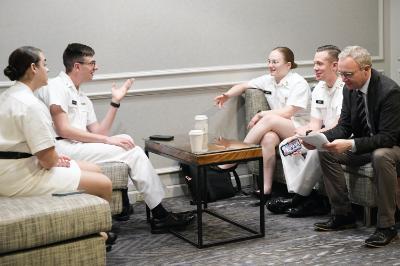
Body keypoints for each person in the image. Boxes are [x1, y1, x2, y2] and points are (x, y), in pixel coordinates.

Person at [35, 43, 194, 234]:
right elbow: (64, 129)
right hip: (61, 148)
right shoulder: (56, 86)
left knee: (126, 139)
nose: (96, 67)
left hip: (75, 145)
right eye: (92, 63)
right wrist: (108, 141)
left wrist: (115, 102)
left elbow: (99, 132)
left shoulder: (82, 97)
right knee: (133, 153)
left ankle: (127, 205)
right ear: (77, 66)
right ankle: (160, 215)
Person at [0, 46, 116, 249]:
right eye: (44, 64)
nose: (48, 69)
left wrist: (53, 159)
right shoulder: (31, 105)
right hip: (19, 177)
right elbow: (47, 160)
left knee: (94, 168)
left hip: (11, 169)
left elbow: (37, 151)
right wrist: (54, 160)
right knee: (104, 183)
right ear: (33, 68)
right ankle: (101, 235)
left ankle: (90, 226)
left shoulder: (9, 96)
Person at [311, 46, 400, 247]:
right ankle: (343, 214)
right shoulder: (349, 88)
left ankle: (387, 226)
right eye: (341, 74)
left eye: (348, 74)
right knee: (326, 152)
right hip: (367, 145)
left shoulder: (389, 91)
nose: (343, 79)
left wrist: (351, 143)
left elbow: (387, 138)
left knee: (381, 155)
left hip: (393, 146)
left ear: (366, 69)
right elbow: (345, 126)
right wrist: (318, 138)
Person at [214, 47, 311, 199]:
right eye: (269, 61)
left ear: (288, 65)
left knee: (269, 119)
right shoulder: (268, 80)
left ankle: (235, 158)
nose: (271, 65)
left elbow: (288, 112)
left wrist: (262, 114)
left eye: (275, 62)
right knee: (268, 138)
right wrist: (227, 95)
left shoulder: (299, 83)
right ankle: (266, 189)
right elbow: (243, 86)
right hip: (281, 127)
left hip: (302, 130)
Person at [267, 45, 344, 217]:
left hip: (338, 139)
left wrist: (313, 137)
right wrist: (303, 135)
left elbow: (340, 126)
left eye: (319, 64)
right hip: (320, 135)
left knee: (317, 151)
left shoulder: (345, 89)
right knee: (287, 146)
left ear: (335, 65)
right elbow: (315, 123)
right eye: (314, 63)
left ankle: (298, 199)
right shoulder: (318, 88)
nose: (315, 68)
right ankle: (309, 197)